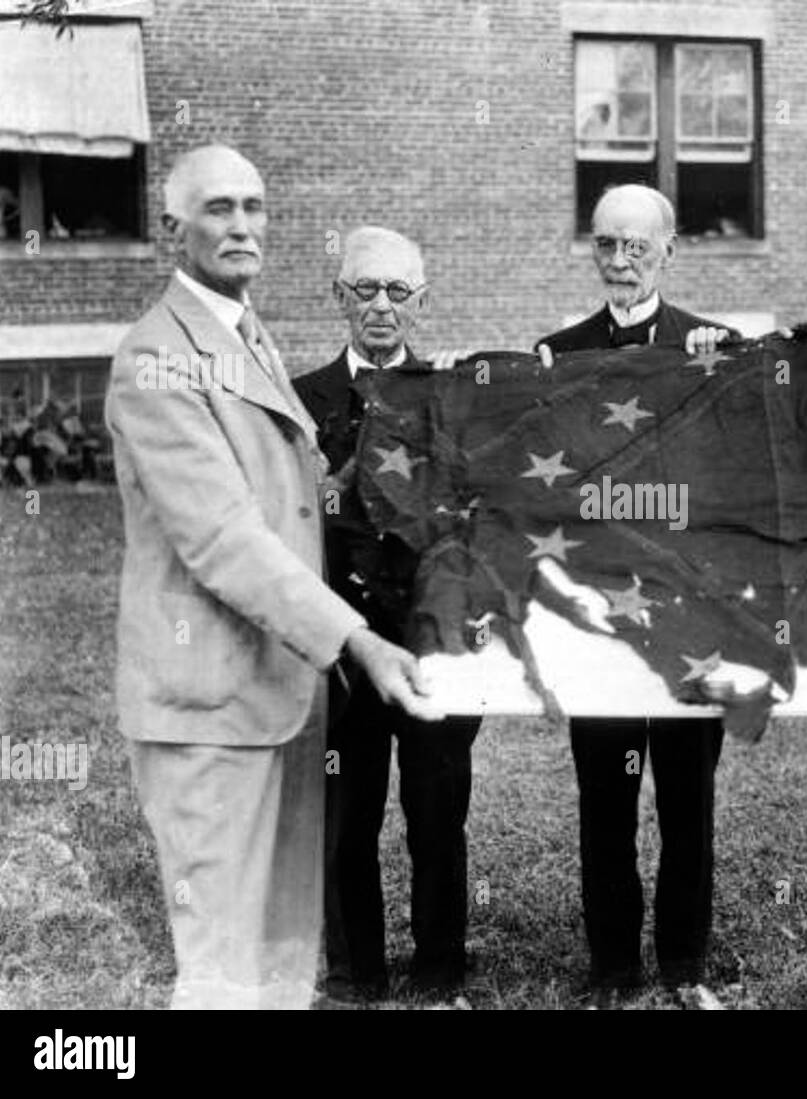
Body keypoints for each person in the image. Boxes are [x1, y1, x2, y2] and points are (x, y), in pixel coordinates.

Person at [105, 145, 440, 1010]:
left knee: (281, 969)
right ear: (172, 229)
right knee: (222, 970)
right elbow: (223, 538)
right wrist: (357, 639)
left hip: (276, 696)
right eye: (218, 208)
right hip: (209, 710)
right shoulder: (158, 359)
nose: (243, 225)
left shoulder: (244, 336)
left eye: (254, 206)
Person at [535, 184, 737, 1007]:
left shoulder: (718, 347)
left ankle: (685, 963)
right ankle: (613, 964)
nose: (620, 261)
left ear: (669, 249)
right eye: (605, 244)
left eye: (636, 246)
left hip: (690, 613)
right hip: (600, 615)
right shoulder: (557, 352)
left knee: (688, 794)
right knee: (606, 794)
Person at [293, 227, 481, 1002]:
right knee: (345, 817)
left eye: (398, 292)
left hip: (431, 641)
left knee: (438, 813)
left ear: (422, 302)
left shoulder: (454, 399)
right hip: (338, 647)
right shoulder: (297, 400)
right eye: (363, 289)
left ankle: (439, 968)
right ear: (337, 295)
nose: (380, 306)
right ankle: (354, 973)